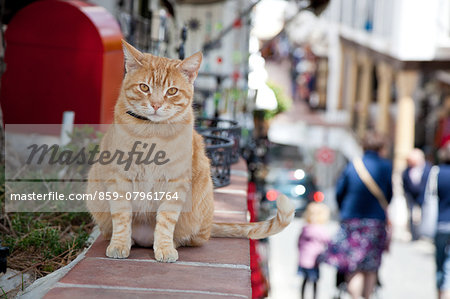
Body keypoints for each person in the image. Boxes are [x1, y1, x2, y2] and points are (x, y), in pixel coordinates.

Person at [319, 131, 392, 299]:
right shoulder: (385, 167)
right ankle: (366, 296)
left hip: (352, 221)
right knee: (371, 267)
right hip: (375, 222)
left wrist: (344, 211)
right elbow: (389, 196)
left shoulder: (353, 165)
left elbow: (339, 192)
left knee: (354, 266)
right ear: (381, 147)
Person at [429, 141, 450, 299]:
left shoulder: (437, 172)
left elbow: (429, 197)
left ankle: (441, 293)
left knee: (440, 262)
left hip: (441, 222)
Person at [297, 202, 330, 299]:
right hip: (315, 261)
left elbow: (298, 243)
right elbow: (328, 241)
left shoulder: (305, 228)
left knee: (304, 280)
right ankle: (314, 297)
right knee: (315, 281)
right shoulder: (320, 230)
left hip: (304, 260)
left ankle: (302, 296)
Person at [402, 148, 432, 240]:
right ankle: (414, 235)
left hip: (424, 195)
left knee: (425, 214)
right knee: (411, 215)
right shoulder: (406, 171)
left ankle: (423, 234)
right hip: (411, 196)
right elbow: (405, 183)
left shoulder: (429, 169)